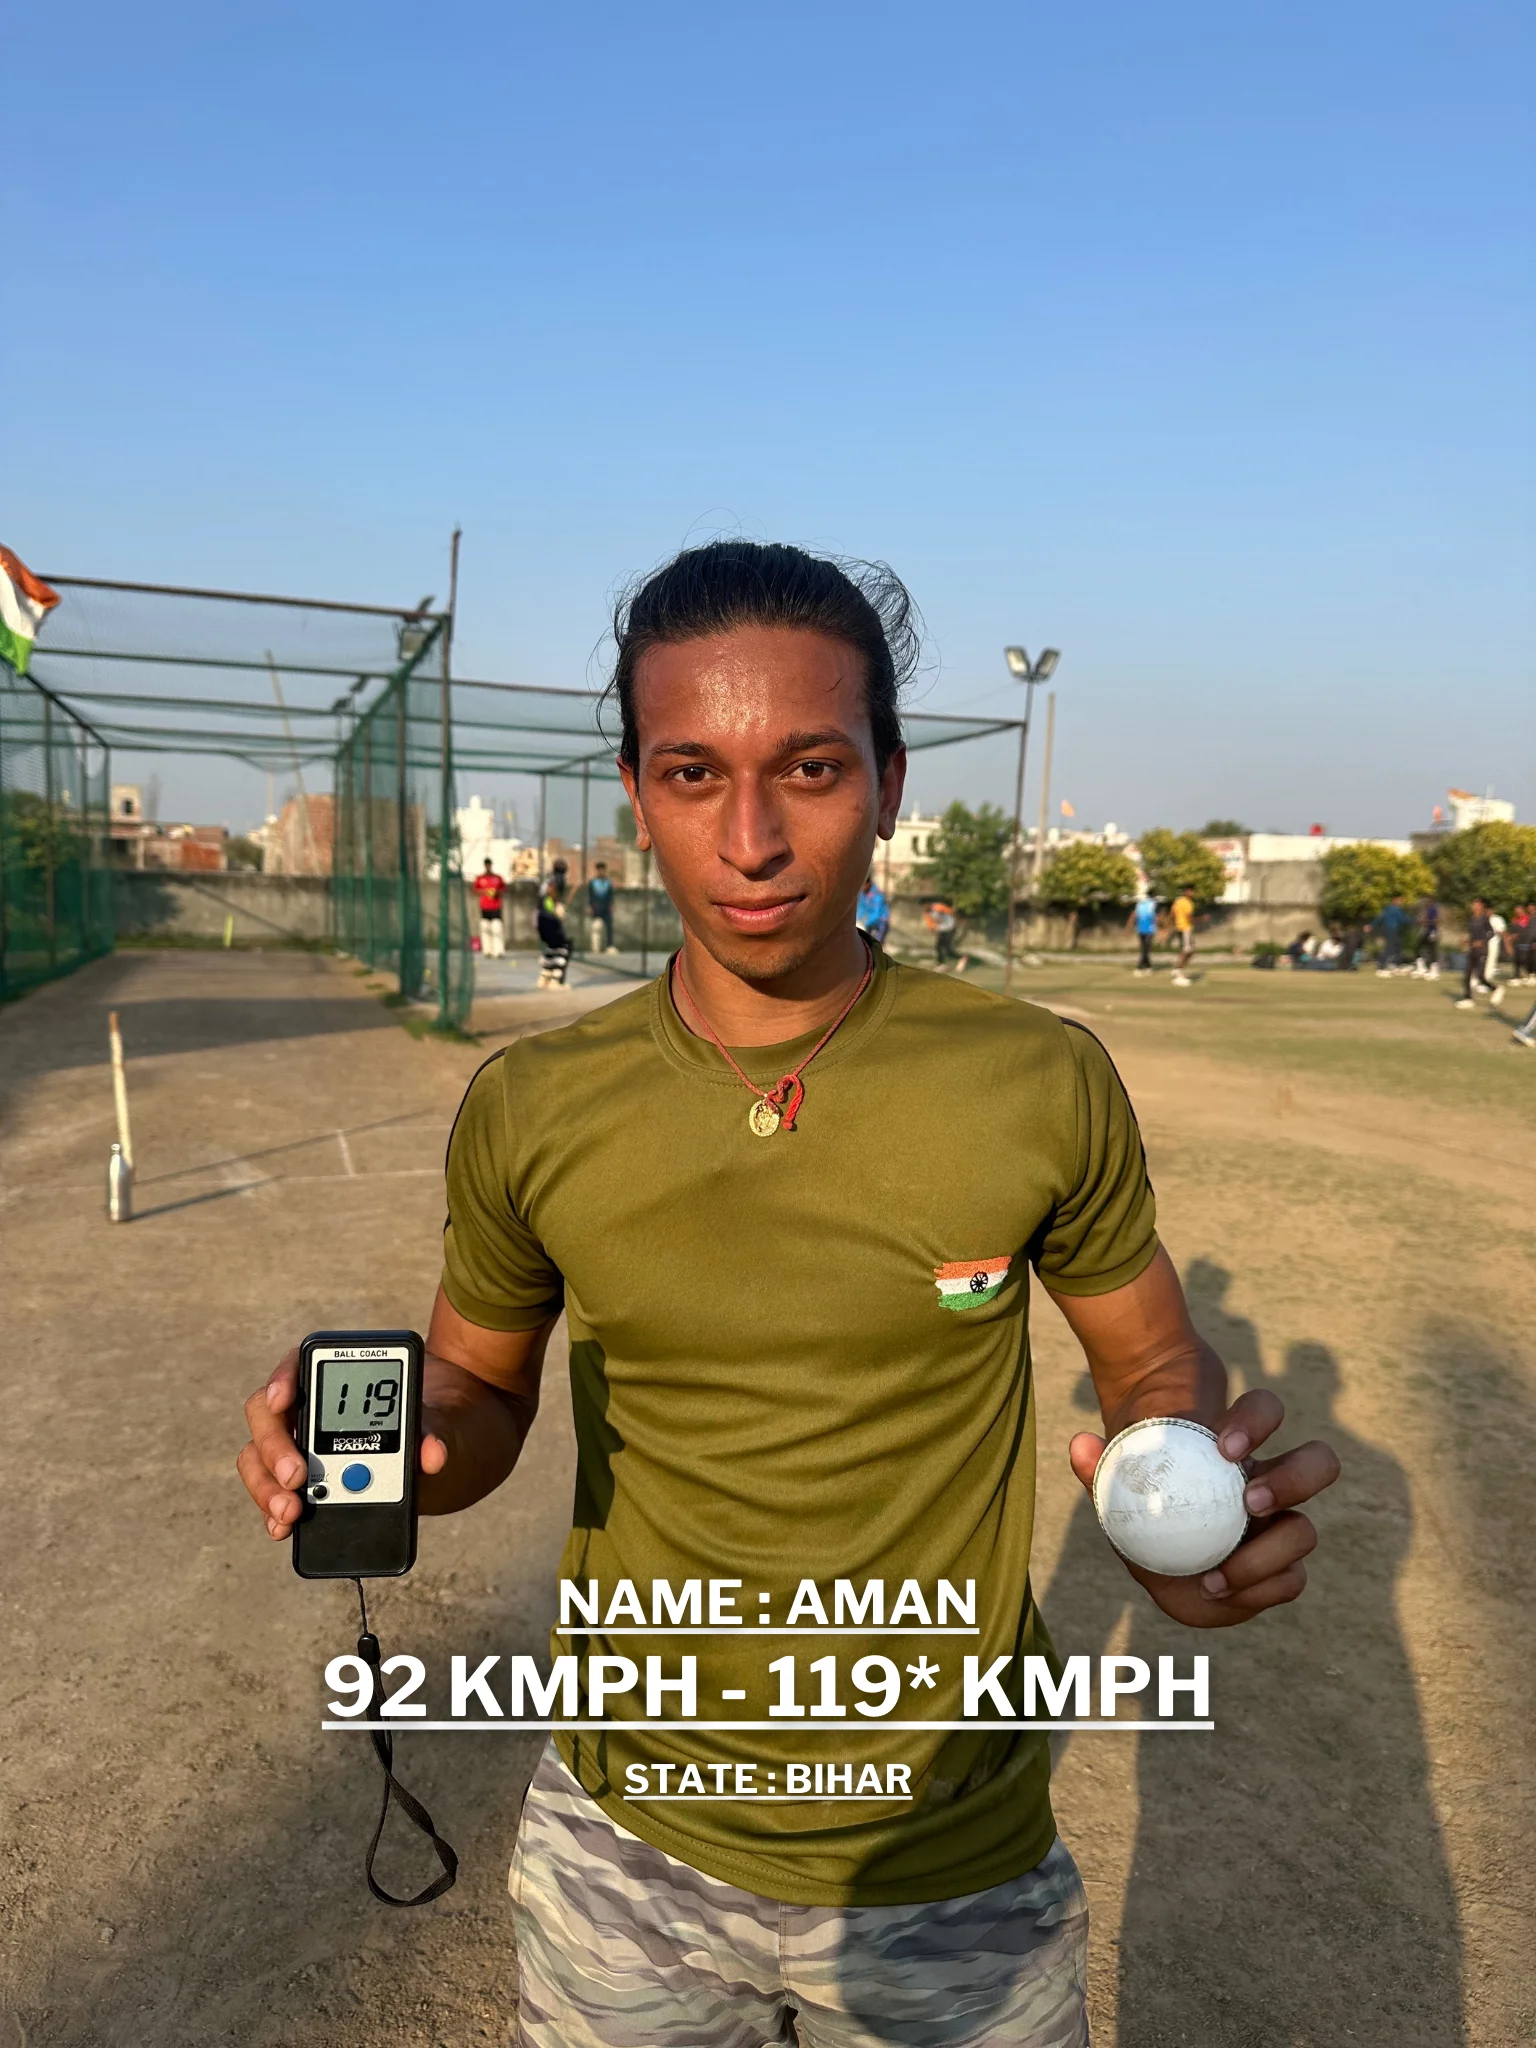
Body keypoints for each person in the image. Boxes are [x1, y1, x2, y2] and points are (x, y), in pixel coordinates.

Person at [239, 541, 1339, 2048]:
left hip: (952, 1863)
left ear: (888, 783)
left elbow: (1153, 1362)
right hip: (628, 1847)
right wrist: (393, 1454)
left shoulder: (1035, 1079)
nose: (750, 838)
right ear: (637, 793)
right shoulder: (533, 1106)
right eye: (693, 775)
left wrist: (1175, 1496)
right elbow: (479, 1394)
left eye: (809, 768)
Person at [1455, 897, 1495, 1010]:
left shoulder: (1485, 919)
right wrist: (1465, 940)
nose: (1474, 906)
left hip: (1481, 951)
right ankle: (1468, 999)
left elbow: (1491, 933)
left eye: (1477, 904)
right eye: (1473, 904)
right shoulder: (1472, 919)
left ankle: (1495, 989)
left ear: (1481, 906)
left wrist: (1482, 941)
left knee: (1480, 976)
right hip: (1472, 950)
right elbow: (1472, 935)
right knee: (1467, 974)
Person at [537, 861, 571, 989]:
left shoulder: (547, 879)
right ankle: (554, 981)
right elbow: (552, 890)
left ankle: (544, 978)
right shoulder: (558, 879)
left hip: (540, 917)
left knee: (551, 947)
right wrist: (557, 906)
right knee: (562, 948)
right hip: (549, 916)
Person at [473, 858, 507, 960]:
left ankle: (499, 951)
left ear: (491, 865)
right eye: (486, 865)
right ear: (484, 865)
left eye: (489, 865)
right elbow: (475, 889)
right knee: (485, 928)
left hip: (496, 906)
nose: (488, 867)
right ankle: (487, 951)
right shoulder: (480, 878)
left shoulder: (497, 878)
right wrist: (484, 892)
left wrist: (497, 893)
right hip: (485, 906)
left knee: (497, 928)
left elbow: (504, 889)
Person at [1374, 894, 1411, 976]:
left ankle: (1396, 965)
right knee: (1390, 948)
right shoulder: (1395, 909)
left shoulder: (1387, 909)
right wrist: (1416, 920)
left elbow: (1379, 918)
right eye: (1400, 900)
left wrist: (1372, 925)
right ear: (1395, 900)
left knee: (1397, 947)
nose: (1402, 902)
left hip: (1390, 930)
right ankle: (1381, 965)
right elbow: (1404, 920)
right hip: (1392, 930)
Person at [586, 861, 616, 954]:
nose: (601, 872)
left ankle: (609, 947)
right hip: (597, 908)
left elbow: (611, 895)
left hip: (606, 908)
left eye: (603, 870)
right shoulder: (593, 883)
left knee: (609, 928)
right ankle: (595, 949)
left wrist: (611, 906)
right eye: (599, 870)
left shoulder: (608, 882)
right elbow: (590, 896)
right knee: (596, 928)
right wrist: (590, 907)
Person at [924, 895, 962, 970]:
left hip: (950, 928)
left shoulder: (938, 907)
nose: (924, 907)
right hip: (942, 930)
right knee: (938, 947)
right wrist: (937, 934)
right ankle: (941, 964)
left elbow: (951, 912)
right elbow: (932, 927)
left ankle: (961, 958)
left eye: (926, 904)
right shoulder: (927, 913)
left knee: (946, 947)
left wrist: (955, 923)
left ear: (929, 903)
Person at [1128, 889, 1158, 974]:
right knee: (1145, 949)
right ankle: (1139, 967)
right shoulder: (1153, 904)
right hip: (1149, 929)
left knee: (1145, 948)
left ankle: (1148, 966)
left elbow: (1135, 915)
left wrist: (1129, 926)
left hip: (1140, 928)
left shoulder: (1140, 904)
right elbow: (1154, 916)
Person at [856, 872, 890, 947]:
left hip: (881, 921)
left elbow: (877, 912)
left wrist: (867, 922)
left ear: (869, 883)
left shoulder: (877, 894)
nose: (862, 887)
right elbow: (861, 908)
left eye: (864, 884)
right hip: (870, 922)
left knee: (877, 944)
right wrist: (858, 919)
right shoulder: (863, 894)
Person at [1169, 889, 1195, 985]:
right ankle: (1178, 972)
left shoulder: (1178, 901)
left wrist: (1172, 925)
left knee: (1190, 951)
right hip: (1185, 929)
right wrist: (1201, 919)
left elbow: (1172, 914)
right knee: (1188, 950)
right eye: (1191, 891)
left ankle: (1177, 968)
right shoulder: (1187, 903)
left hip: (1180, 928)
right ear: (1186, 892)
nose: (1193, 893)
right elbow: (1189, 918)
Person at [1412, 898, 1440, 980]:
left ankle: (1434, 971)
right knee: (1417, 947)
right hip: (1426, 932)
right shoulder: (1427, 909)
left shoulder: (1433, 909)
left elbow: (1436, 920)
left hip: (1432, 932)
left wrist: (1424, 921)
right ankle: (1421, 968)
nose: (1425, 902)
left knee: (1432, 950)